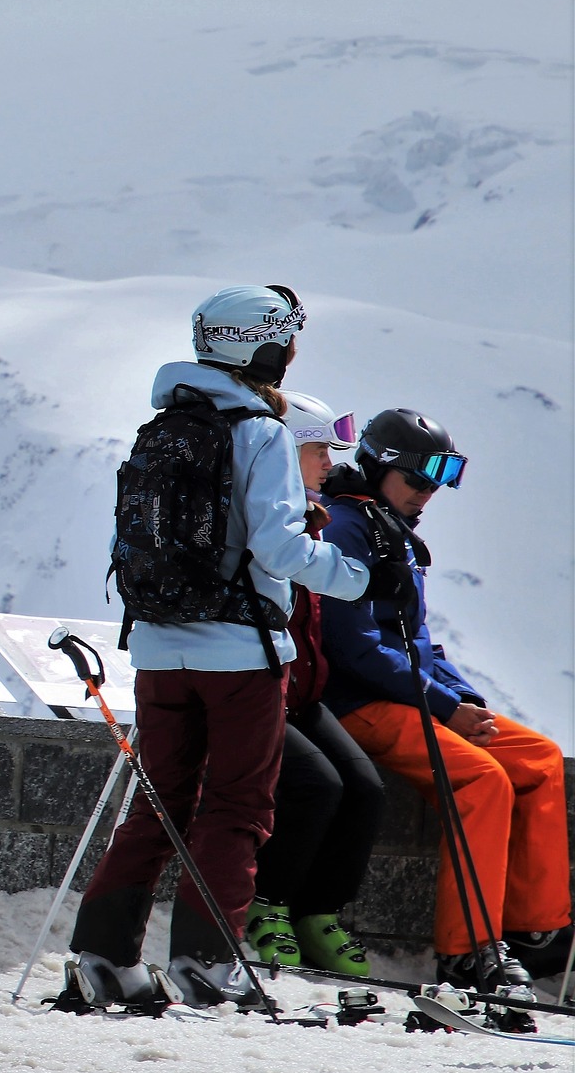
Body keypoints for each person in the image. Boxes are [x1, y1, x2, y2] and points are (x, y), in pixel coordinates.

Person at [67, 285, 371, 1011]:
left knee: (159, 802)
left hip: (158, 648)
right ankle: (208, 964)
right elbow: (273, 544)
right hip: (240, 652)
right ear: (265, 346)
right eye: (289, 338)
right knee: (237, 806)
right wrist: (349, 573)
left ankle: (104, 957)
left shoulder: (164, 425)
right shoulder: (259, 432)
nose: (293, 352)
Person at [320, 409, 571, 994]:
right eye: (418, 480)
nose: (428, 494)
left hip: (410, 694)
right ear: (380, 467)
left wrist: (464, 699)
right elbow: (353, 646)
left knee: (538, 758)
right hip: (358, 703)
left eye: (440, 482)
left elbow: (418, 639)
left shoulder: (390, 527)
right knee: (482, 780)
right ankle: (467, 951)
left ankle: (537, 932)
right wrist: (442, 708)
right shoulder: (344, 527)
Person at [242, 392, 384, 976]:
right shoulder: (274, 521)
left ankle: (316, 910)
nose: (328, 462)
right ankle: (267, 905)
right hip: (261, 687)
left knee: (365, 789)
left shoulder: (313, 517)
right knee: (315, 786)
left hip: (302, 694)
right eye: (316, 449)